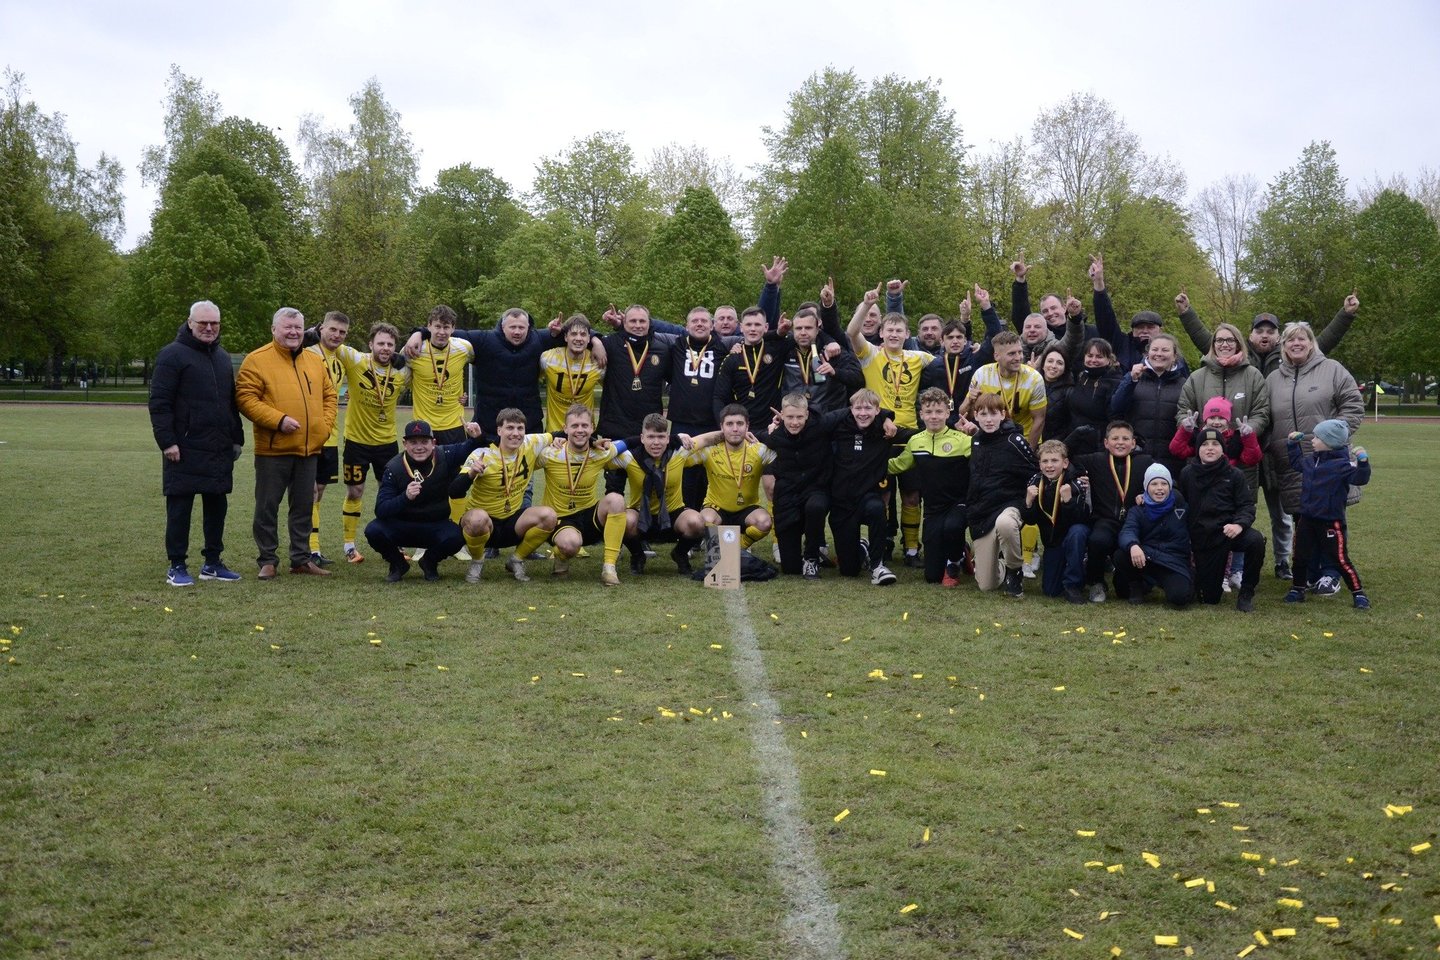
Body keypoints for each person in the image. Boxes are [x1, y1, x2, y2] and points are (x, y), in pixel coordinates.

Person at [1176, 292, 1359, 579]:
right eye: (1259, 330)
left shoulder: (1295, 363)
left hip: (1278, 453)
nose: (1265, 335)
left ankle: (1287, 563)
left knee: (1286, 513)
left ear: (1278, 337)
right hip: (1253, 453)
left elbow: (1324, 342)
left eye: (1271, 331)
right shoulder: (1260, 371)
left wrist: (1345, 315)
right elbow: (1208, 341)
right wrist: (1187, 313)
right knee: (1241, 507)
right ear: (1249, 337)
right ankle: (1227, 565)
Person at [235, 306, 338, 579]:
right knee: (267, 506)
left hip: (309, 449)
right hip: (273, 449)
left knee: (304, 506)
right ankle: (267, 559)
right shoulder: (256, 360)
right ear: (274, 330)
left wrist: (323, 427)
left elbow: (330, 396)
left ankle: (301, 559)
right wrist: (278, 420)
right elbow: (246, 399)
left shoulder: (315, 361)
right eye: (287, 327)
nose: (293, 332)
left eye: (297, 327)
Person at [148, 300, 246, 585]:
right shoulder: (171, 355)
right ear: (190, 322)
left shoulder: (223, 358)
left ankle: (212, 563)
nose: (208, 328)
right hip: (183, 447)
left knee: (217, 507)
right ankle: (177, 565)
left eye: (214, 323)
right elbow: (159, 402)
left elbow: (230, 403)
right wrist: (167, 442)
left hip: (218, 447)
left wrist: (236, 438)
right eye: (202, 322)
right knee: (180, 508)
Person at [1264, 321, 1364, 590]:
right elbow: (1266, 418)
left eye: (1302, 339)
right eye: (1290, 340)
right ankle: (1309, 570)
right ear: (1282, 346)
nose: (1296, 344)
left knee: (1330, 520)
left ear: (1311, 343)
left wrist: (1335, 437)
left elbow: (1353, 406)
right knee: (1303, 519)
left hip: (1330, 463)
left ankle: (1331, 572)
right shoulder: (1273, 379)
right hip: (1294, 462)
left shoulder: (1332, 370)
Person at [848, 286, 936, 564]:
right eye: (890, 330)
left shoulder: (919, 358)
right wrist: (865, 305)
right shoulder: (871, 354)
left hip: (910, 434)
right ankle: (880, 547)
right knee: (882, 496)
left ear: (907, 335)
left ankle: (911, 549)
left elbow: (952, 366)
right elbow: (851, 332)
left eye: (900, 331)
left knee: (912, 495)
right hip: (879, 434)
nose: (895, 334)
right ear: (882, 333)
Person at [366, 419, 484, 582]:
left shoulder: (444, 455)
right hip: (402, 526)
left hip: (435, 525)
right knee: (373, 530)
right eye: (413, 442)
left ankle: (429, 562)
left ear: (433, 442)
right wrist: (404, 497)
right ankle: (397, 563)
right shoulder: (393, 468)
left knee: (457, 536)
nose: (419, 447)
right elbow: (381, 509)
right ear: (405, 444)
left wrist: (476, 437)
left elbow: (468, 448)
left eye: (424, 441)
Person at [333, 322, 411, 565]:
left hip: (387, 443)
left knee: (390, 494)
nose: (385, 348)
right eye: (381, 343)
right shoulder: (356, 360)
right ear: (370, 344)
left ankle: (394, 543)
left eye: (390, 344)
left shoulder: (403, 371)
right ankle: (349, 546)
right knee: (355, 491)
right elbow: (333, 343)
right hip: (356, 441)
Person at [455, 409, 559, 584]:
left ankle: (516, 560)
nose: (516, 433)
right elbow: (455, 490)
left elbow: (562, 433)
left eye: (520, 428)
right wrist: (471, 473)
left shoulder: (531, 442)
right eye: (510, 428)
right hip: (484, 524)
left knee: (549, 516)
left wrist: (592, 441)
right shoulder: (482, 454)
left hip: (512, 521)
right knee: (477, 519)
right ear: (499, 431)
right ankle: (477, 561)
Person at [824, 390, 911, 585]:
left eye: (868, 408)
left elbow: (919, 434)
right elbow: (813, 424)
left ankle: (877, 566)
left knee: (876, 507)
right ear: (850, 410)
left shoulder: (885, 431)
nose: (863, 413)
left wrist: (887, 418)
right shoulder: (839, 426)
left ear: (877, 410)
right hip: (842, 503)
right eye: (858, 408)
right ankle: (862, 548)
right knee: (848, 571)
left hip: (867, 499)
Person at [535, 405, 630, 585]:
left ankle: (609, 568)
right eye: (575, 426)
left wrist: (676, 438)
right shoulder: (550, 453)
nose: (580, 430)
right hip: (561, 520)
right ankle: (561, 557)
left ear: (592, 428)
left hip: (589, 517)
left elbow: (631, 442)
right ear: (565, 429)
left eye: (585, 426)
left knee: (616, 499)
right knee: (570, 544)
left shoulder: (601, 452)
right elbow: (524, 459)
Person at [887, 388, 972, 586]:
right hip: (933, 509)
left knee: (952, 527)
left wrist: (978, 435)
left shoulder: (962, 441)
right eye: (929, 412)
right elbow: (899, 464)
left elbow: (984, 459)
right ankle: (961, 550)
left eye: (939, 411)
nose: (934, 416)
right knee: (932, 576)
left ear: (947, 413)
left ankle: (953, 563)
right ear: (921, 414)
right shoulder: (915, 442)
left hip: (958, 504)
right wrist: (867, 465)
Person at [1174, 316, 1270, 488]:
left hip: (1241, 460)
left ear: (1238, 343)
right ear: (1213, 344)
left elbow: (1261, 412)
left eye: (1230, 340)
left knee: (1241, 509)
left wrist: (1244, 435)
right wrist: (1194, 432)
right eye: (1219, 340)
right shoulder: (1197, 377)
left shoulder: (1253, 375)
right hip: (1204, 457)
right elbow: (1183, 409)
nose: (1224, 344)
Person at [1177, 427, 1267, 612]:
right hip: (1202, 537)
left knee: (1255, 541)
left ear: (1223, 449)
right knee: (1209, 599)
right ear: (1197, 449)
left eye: (1215, 444)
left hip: (1228, 532)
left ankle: (1246, 593)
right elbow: (1180, 504)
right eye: (1205, 444)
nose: (1210, 448)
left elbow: (1246, 505)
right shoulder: (1187, 473)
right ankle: (1196, 579)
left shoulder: (1235, 475)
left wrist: (1239, 524)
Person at [1284, 420, 1371, 609]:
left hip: (1331, 522)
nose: (1313, 440)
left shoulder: (1343, 465)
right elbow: (1296, 463)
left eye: (1317, 437)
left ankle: (1358, 593)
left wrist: (1363, 462)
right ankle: (1297, 588)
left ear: (1330, 441)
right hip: (1306, 519)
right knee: (1300, 556)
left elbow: (1361, 478)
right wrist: (1292, 444)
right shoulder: (1310, 461)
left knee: (1339, 558)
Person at [961, 391, 1038, 597]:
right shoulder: (975, 440)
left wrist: (1029, 498)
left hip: (1009, 504)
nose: (989, 419)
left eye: (994, 414)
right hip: (982, 511)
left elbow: (1036, 470)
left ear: (1003, 415)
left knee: (1005, 524)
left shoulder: (1015, 440)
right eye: (983, 414)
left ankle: (1015, 569)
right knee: (987, 585)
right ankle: (1001, 565)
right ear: (975, 416)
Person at [754, 393, 836, 579]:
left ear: (807, 414)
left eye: (799, 417)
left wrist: (886, 417)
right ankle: (801, 556)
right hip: (788, 496)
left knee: (815, 507)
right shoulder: (773, 435)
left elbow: (853, 411)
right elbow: (740, 433)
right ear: (781, 415)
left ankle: (812, 558)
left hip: (816, 490)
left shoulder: (822, 425)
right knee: (790, 568)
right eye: (790, 417)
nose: (794, 422)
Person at [616, 414, 708, 574]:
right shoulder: (629, 457)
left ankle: (679, 554)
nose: (656, 442)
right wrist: (559, 438)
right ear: (642, 438)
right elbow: (601, 452)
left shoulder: (680, 452)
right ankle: (638, 555)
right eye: (651, 437)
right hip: (641, 516)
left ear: (668, 438)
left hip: (674, 515)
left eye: (661, 437)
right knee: (623, 521)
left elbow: (707, 440)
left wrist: (739, 434)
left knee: (698, 522)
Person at [1074, 420, 1154, 602]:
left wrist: (1146, 496)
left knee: (1124, 588)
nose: (1120, 442)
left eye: (1125, 438)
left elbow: (1164, 483)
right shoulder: (1095, 460)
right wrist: (1077, 434)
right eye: (1115, 438)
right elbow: (1066, 455)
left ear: (1133, 443)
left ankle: (1135, 582)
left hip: (1133, 522)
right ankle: (1096, 582)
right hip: (1105, 520)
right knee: (1097, 540)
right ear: (1106, 442)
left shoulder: (1145, 462)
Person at [679, 404, 777, 552]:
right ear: (721, 427)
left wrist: (780, 432)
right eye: (729, 424)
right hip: (716, 508)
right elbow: (680, 458)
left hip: (747, 510)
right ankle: (717, 548)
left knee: (764, 522)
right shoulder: (710, 451)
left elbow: (786, 458)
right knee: (704, 521)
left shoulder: (759, 450)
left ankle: (739, 547)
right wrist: (683, 438)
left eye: (740, 424)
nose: (735, 428)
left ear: (747, 426)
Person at [305, 310, 350, 565]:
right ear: (321, 328)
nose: (337, 335)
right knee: (309, 491)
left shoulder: (341, 357)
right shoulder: (307, 351)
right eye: (332, 329)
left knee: (319, 490)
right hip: (308, 433)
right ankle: (309, 549)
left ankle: (314, 549)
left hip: (330, 434)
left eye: (342, 332)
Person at [1021, 440, 1091, 603]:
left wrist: (1068, 501)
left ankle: (1074, 583)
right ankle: (1067, 568)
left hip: (1074, 536)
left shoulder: (1077, 482)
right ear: (1039, 464)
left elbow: (1084, 518)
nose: (1049, 466)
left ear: (1065, 463)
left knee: (1077, 532)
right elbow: (1030, 520)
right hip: (1053, 541)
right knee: (1051, 591)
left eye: (1054, 461)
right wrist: (1028, 502)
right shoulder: (1035, 482)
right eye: (1045, 461)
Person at [1109, 332, 1187, 476]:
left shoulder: (1184, 384)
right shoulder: (1133, 377)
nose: (1159, 354)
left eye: (1165, 350)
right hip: (1137, 456)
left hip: (1172, 459)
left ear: (1174, 356)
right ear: (1147, 353)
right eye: (1155, 349)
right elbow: (1116, 408)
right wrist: (1131, 382)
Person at [1113, 464, 1191, 607]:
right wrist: (1133, 545)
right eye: (1154, 484)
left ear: (1170, 487)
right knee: (1121, 557)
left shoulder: (1181, 506)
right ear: (1146, 487)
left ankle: (1165, 582)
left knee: (1180, 598)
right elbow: (1127, 531)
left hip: (1172, 562)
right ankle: (1137, 585)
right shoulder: (1138, 510)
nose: (1159, 488)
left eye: (1164, 484)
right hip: (1146, 558)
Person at [961, 331, 1047, 448]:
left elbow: (1039, 419)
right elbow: (964, 414)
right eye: (1011, 354)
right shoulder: (982, 375)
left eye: (1020, 352)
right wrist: (970, 401)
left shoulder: (1034, 378)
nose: (1018, 358)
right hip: (990, 439)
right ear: (997, 356)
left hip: (1023, 439)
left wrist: (1029, 451)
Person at [1010, 251, 1100, 343]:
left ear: (1064, 307)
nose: (1050, 313)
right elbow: (1020, 316)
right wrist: (1020, 280)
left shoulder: (1092, 332)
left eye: (1053, 308)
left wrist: (1099, 280)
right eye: (1045, 311)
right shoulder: (1041, 337)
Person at [538, 314, 604, 432]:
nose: (578, 338)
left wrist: (598, 342)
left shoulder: (598, 362)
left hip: (584, 434)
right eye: (573, 334)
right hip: (554, 434)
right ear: (565, 337)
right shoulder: (547, 358)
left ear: (589, 338)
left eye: (583, 334)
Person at [1063, 338, 1123, 457]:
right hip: (1074, 440)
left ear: (1109, 360)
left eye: (1099, 357)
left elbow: (1114, 418)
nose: (1093, 360)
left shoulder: (1114, 383)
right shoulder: (1081, 376)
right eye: (1090, 355)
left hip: (1096, 447)